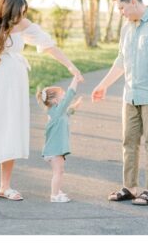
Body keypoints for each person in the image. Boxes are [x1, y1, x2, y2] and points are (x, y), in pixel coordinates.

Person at [0, 0, 84, 203]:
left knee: (10, 129)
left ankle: (5, 187)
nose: (21, 17)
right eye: (18, 12)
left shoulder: (22, 24)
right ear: (6, 9)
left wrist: (71, 67)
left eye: (23, 12)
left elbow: (49, 46)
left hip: (13, 85)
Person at [91, 0, 148, 207]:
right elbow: (121, 61)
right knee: (128, 141)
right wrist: (103, 85)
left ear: (133, 2)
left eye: (121, 8)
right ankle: (129, 188)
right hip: (130, 95)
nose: (121, 13)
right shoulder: (126, 29)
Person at [37, 73, 84, 203]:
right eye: (62, 96)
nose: (64, 98)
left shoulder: (57, 112)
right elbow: (69, 96)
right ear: (55, 101)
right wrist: (75, 79)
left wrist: (76, 105)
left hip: (55, 150)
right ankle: (54, 195)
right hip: (54, 151)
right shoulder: (56, 112)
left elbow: (68, 111)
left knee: (59, 171)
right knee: (58, 172)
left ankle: (57, 191)